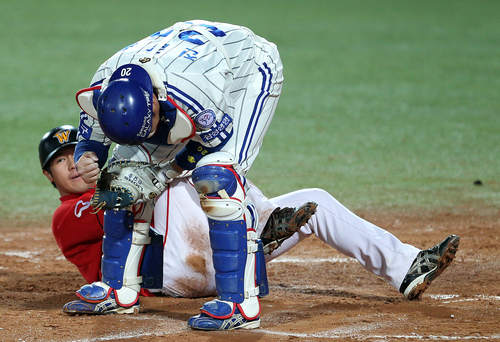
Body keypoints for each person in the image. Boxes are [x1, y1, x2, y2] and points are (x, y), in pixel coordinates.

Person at [40, 126, 460, 331]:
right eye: (62, 160)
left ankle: (405, 266)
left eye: (79, 153)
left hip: (214, 252)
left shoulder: (122, 175)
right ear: (49, 176)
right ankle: (258, 226)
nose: (76, 165)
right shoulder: (67, 215)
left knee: (314, 199)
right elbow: (133, 194)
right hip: (166, 275)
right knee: (164, 185)